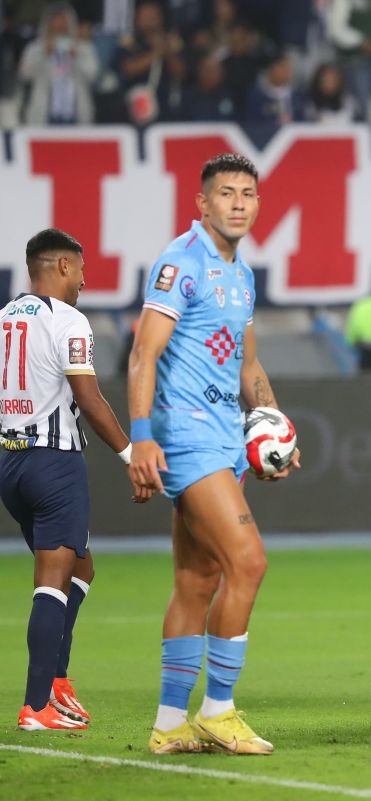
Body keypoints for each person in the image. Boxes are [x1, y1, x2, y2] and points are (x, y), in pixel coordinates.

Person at [128, 152, 300, 756]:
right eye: (225, 193)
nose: (237, 203)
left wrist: (274, 426)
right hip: (186, 434)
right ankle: (219, 712)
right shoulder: (182, 263)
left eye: (247, 194)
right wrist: (142, 436)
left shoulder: (243, 274)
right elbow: (143, 354)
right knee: (248, 563)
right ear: (202, 204)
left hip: (228, 435)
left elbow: (248, 364)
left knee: (197, 580)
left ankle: (170, 723)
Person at [1, 229, 145, 731]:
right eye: (81, 270)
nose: (84, 281)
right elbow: (89, 399)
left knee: (80, 569)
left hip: (10, 463)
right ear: (62, 266)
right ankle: (36, 705)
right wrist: (132, 455)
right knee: (53, 582)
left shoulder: (2, 320)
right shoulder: (68, 320)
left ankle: (58, 685)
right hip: (54, 463)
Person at [17, 3, 99, 125]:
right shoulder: (35, 48)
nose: (60, 29)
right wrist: (43, 53)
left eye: (63, 26)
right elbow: (25, 74)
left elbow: (93, 75)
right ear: (48, 26)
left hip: (76, 115)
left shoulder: (84, 48)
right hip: (45, 114)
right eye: (56, 26)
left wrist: (76, 57)